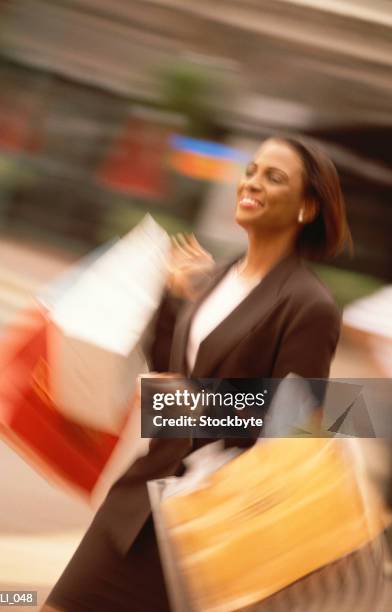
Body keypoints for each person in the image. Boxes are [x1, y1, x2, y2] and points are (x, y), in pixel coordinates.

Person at [43, 135, 352, 611]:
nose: (251, 183)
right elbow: (174, 372)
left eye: (274, 177)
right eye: (251, 170)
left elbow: (297, 427)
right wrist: (172, 302)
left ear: (306, 208)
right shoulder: (215, 276)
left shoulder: (309, 305)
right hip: (139, 505)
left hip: (208, 527)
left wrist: (190, 408)